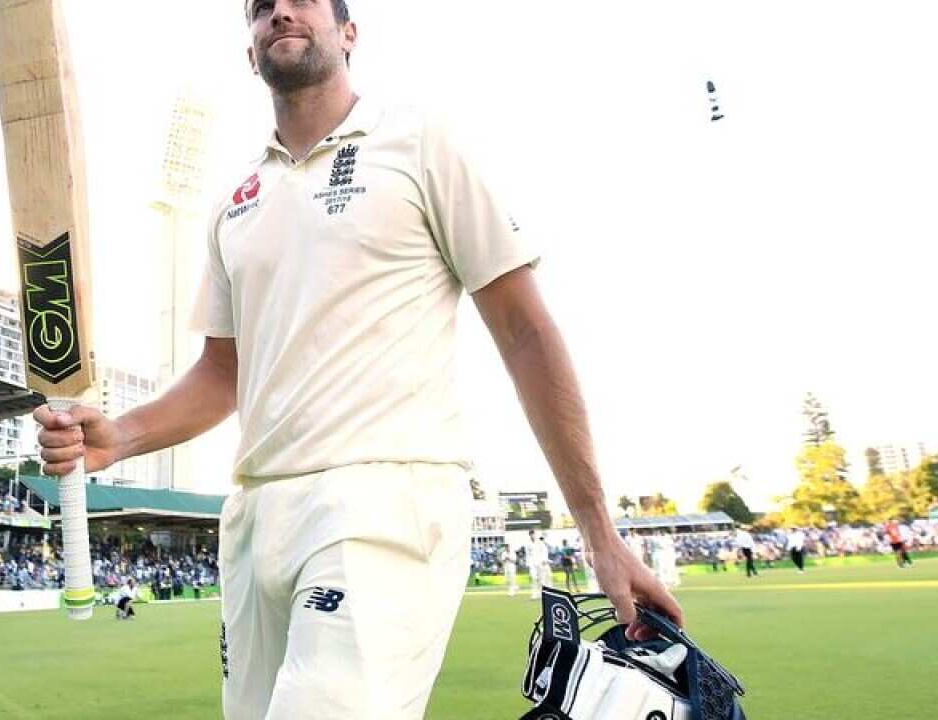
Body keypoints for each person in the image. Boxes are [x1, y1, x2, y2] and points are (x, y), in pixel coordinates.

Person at [34, 1, 681, 716]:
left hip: (386, 497)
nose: (278, 10)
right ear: (250, 53)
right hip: (254, 515)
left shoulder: (419, 144)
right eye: (258, 9)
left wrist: (598, 529)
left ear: (349, 33)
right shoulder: (234, 203)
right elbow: (225, 373)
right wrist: (120, 436)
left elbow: (525, 332)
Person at [526, 530, 552, 599]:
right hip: (532, 564)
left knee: (541, 579)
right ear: (529, 535)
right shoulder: (528, 544)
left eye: (533, 534)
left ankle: (542, 594)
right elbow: (528, 555)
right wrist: (528, 564)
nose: (532, 536)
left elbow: (544, 551)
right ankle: (534, 594)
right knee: (534, 578)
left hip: (540, 562)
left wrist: (544, 560)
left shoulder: (540, 543)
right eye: (531, 534)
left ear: (535, 534)